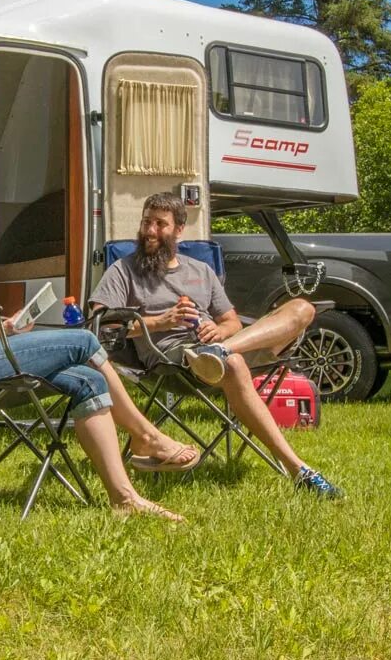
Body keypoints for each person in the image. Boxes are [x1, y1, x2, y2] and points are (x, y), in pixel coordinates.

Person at [0, 169, 199, 521]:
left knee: (88, 380)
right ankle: (146, 436)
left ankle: (123, 499)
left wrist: (3, 331)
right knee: (84, 340)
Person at [88, 192, 346, 501]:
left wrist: (219, 331)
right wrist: (160, 321)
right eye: (147, 222)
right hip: (175, 359)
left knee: (303, 308)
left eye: (160, 224)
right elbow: (100, 323)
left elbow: (232, 321)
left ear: (179, 230)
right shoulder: (124, 270)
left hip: (222, 345)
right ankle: (298, 469)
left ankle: (221, 352)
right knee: (234, 363)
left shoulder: (201, 271)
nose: (151, 231)